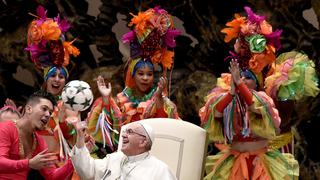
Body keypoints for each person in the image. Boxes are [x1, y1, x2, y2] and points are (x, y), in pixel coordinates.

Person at [199, 7, 299, 179]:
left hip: (259, 163)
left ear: (257, 82)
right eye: (239, 77)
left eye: (247, 78)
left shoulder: (262, 100)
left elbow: (254, 107)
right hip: (234, 162)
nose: (242, 80)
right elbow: (215, 114)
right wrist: (231, 92)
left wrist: (240, 85)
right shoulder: (226, 98)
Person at [87, 6, 181, 154]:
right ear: (132, 75)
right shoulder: (119, 101)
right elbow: (108, 131)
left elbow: (168, 129)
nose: (145, 78)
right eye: (140, 74)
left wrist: (159, 102)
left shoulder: (161, 101)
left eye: (149, 74)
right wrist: (106, 99)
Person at [0, 90, 74, 180]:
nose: (48, 115)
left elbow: (52, 176)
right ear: (28, 109)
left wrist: (76, 157)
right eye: (44, 109)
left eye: (50, 112)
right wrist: (29, 163)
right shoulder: (5, 128)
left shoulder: (39, 141)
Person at [71, 120, 176, 180]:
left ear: (143, 142)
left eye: (130, 132)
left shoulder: (160, 170)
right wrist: (80, 139)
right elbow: (87, 171)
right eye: (125, 132)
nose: (123, 135)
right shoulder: (115, 158)